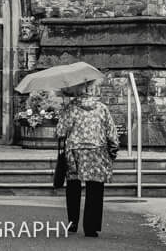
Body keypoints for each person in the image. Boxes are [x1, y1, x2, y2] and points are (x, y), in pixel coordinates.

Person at [56, 80, 120, 238]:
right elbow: (112, 134)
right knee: (95, 189)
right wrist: (113, 151)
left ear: (76, 90)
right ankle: (91, 228)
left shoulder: (70, 108)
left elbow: (60, 132)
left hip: (74, 152)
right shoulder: (102, 108)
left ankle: (72, 224)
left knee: (73, 187)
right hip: (96, 151)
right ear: (92, 90)